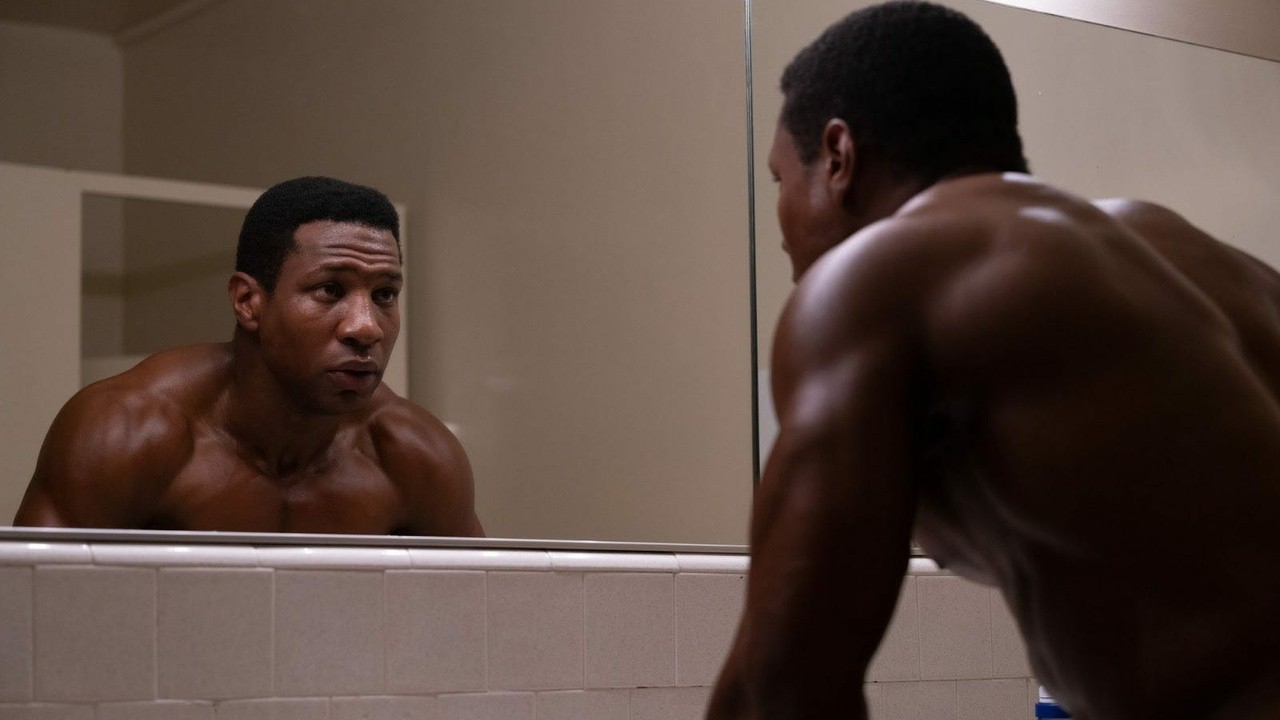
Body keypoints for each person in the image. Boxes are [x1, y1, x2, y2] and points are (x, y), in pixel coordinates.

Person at [707, 3, 1280, 719]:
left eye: (780, 181)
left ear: (838, 155)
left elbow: (779, 688)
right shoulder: (1200, 261)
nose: (783, 228)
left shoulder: (875, 282)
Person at [14, 176, 484, 536]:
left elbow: (475, 619)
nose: (366, 327)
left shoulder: (413, 456)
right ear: (248, 301)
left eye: (384, 294)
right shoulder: (129, 434)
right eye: (329, 289)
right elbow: (29, 615)